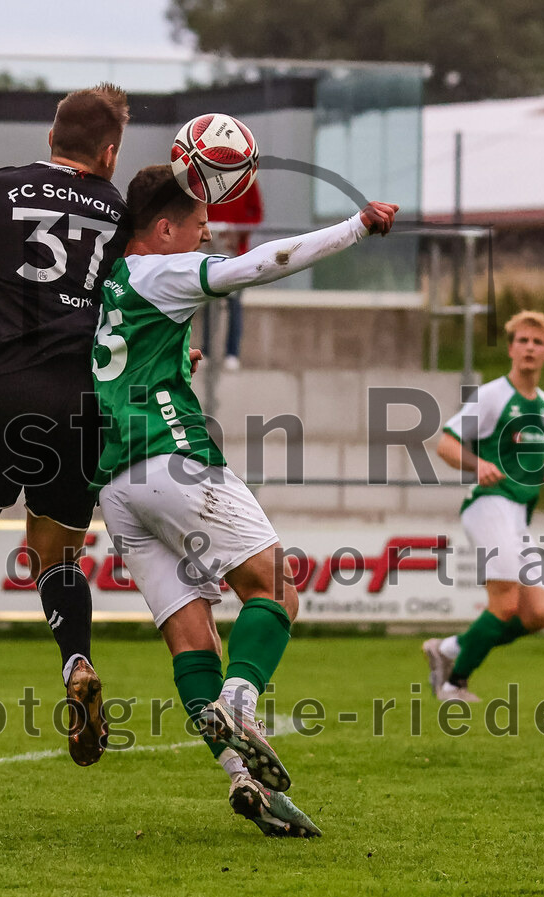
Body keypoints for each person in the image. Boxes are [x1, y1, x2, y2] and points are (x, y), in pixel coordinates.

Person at [92, 163, 398, 836]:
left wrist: (177, 364)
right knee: (279, 587)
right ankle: (241, 698)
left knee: (189, 635)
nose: (208, 235)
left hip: (115, 486)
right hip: (172, 460)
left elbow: (118, 366)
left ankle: (243, 778)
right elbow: (258, 266)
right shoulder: (161, 271)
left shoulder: (111, 283)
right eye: (200, 226)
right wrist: (354, 226)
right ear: (165, 228)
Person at [0, 84, 131, 767]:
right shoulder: (118, 210)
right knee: (58, 557)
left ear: (49, 138)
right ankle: (76, 663)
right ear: (108, 153)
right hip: (79, 403)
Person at [423, 310, 544, 703]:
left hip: (518, 514)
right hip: (489, 506)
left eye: (538, 342)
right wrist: (478, 464)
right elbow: (446, 443)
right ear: (511, 348)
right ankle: (453, 684)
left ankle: (448, 649)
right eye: (523, 340)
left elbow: (530, 459)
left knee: (535, 615)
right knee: (503, 604)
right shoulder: (492, 395)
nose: (530, 348)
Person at [206, 179, 263, 370]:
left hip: (235, 250)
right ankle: (205, 350)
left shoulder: (247, 179)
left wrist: (237, 232)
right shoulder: (206, 175)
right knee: (206, 298)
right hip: (209, 247)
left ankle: (232, 353)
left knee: (234, 302)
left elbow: (256, 213)